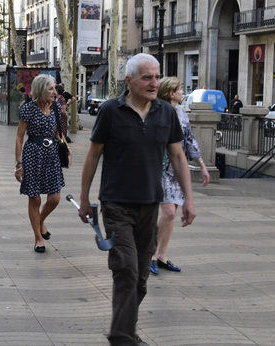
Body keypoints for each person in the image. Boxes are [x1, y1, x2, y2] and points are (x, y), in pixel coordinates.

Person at [78, 53, 196, 346]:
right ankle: (122, 339)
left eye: (157, 76)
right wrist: (84, 199)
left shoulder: (167, 114)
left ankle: (126, 329)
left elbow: (178, 157)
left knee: (140, 277)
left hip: (149, 205)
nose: (154, 82)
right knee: (126, 269)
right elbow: (93, 156)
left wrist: (189, 200)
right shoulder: (109, 111)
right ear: (129, 81)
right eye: (147, 77)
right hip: (116, 205)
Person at [149, 77, 210, 276]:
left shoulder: (182, 114)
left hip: (177, 170)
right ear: (170, 93)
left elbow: (190, 141)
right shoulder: (157, 112)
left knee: (171, 215)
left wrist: (201, 165)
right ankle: (150, 254)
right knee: (169, 213)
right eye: (180, 89)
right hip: (161, 167)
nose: (183, 93)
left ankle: (162, 255)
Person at [14, 74, 71, 253]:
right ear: (41, 90)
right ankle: (38, 238)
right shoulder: (29, 109)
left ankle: (39, 221)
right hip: (33, 154)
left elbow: (57, 133)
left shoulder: (54, 107)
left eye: (55, 88)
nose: (55, 92)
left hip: (52, 154)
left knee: (55, 198)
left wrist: (66, 148)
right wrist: (18, 164)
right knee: (35, 198)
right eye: (51, 89)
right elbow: (19, 137)